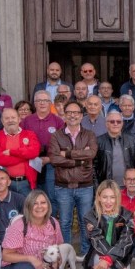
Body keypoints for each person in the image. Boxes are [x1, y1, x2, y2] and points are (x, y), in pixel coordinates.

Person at [0, 190, 66, 269]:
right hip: (14, 267)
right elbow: (6, 256)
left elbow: (59, 246)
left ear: (48, 205)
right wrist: (30, 258)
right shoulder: (20, 225)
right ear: (28, 206)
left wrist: (57, 260)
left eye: (43, 202)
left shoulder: (53, 223)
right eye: (35, 203)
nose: (40, 206)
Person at [47, 100, 97, 253]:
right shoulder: (56, 136)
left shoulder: (89, 134)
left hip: (85, 186)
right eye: (69, 113)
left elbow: (91, 154)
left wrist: (67, 154)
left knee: (85, 222)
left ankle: (85, 254)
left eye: (76, 113)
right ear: (64, 115)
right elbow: (55, 159)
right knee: (65, 223)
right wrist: (80, 161)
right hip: (63, 187)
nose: (72, 116)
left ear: (82, 116)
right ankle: (65, 255)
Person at [83, 179, 135, 269]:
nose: (108, 201)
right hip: (100, 258)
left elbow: (125, 242)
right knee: (99, 256)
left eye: (112, 197)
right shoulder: (90, 216)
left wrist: (114, 262)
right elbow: (98, 242)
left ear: (117, 198)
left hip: (121, 257)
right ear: (98, 197)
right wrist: (117, 266)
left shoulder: (127, 215)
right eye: (105, 197)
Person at [21, 91, 64, 213]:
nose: (42, 103)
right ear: (34, 103)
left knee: (51, 196)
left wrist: (49, 159)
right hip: (31, 162)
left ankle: (52, 223)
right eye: (39, 101)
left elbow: (64, 145)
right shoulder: (27, 121)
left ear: (50, 103)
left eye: (45, 100)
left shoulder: (58, 121)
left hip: (51, 162)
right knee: (33, 196)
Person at [0, 108, 40, 196]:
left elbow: (34, 152)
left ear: (19, 119)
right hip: (5, 184)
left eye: (13, 117)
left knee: (27, 209)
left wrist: (11, 152)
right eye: (7, 118)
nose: (10, 120)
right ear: (2, 121)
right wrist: (25, 157)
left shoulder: (29, 134)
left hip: (26, 183)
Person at [96, 109, 135, 185]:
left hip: (128, 186)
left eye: (118, 122)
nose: (115, 124)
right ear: (106, 124)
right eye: (112, 121)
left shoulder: (131, 140)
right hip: (107, 187)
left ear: (122, 124)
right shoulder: (99, 141)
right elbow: (94, 167)